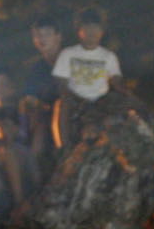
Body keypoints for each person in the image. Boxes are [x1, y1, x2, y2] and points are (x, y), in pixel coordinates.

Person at [51, 9, 123, 149]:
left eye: (96, 28)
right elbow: (61, 84)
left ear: (102, 31)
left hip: (101, 100)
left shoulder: (109, 56)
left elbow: (116, 81)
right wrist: (75, 98)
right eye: (87, 28)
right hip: (75, 100)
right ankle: (64, 147)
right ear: (79, 31)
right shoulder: (68, 54)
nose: (92, 32)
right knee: (62, 105)